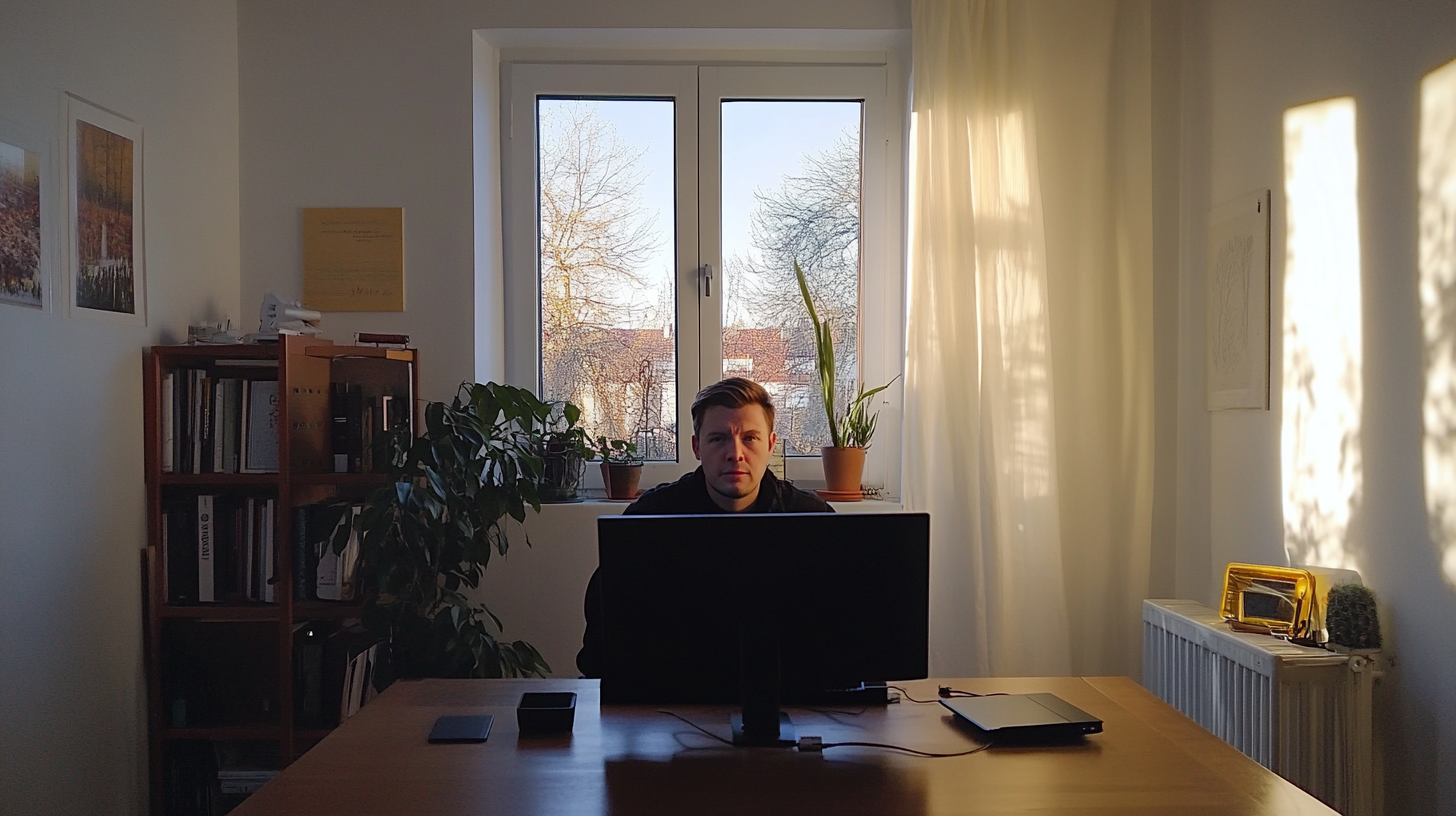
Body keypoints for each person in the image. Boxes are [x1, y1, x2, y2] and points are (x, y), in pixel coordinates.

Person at [576, 377, 831, 677]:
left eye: (749, 438)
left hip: (794, 698)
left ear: (771, 445)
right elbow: (601, 650)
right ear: (697, 447)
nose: (735, 453)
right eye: (718, 438)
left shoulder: (812, 520)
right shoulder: (647, 521)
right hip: (670, 703)